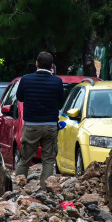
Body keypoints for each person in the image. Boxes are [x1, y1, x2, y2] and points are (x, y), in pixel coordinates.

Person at [14, 52, 65, 186]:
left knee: (25, 159)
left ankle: (19, 188)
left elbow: (20, 98)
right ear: (51, 66)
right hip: (50, 126)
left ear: (36, 64)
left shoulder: (26, 79)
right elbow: (60, 101)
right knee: (49, 159)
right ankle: (45, 189)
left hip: (31, 125)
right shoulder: (57, 81)